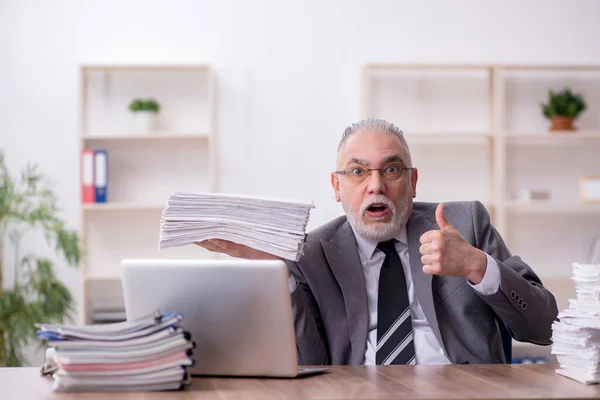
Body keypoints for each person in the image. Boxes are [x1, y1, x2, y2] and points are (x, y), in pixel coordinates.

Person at [197, 117, 558, 365]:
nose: (376, 185)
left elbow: (544, 328)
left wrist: (478, 266)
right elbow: (308, 365)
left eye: (392, 169)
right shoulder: (311, 254)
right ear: (337, 187)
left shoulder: (465, 225)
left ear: (413, 182)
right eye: (357, 171)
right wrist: (275, 270)